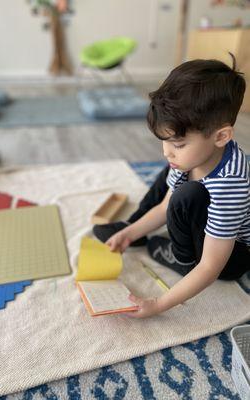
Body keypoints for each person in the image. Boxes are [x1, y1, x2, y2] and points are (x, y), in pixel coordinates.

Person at [93, 55, 250, 318]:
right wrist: (130, 232)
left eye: (177, 144)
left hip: (230, 258)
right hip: (204, 229)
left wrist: (159, 304)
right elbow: (165, 206)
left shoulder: (230, 185)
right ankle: (142, 234)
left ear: (221, 136)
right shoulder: (191, 157)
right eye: (164, 142)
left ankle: (183, 261)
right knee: (174, 176)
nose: (167, 151)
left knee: (187, 194)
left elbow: (212, 266)